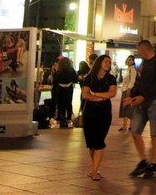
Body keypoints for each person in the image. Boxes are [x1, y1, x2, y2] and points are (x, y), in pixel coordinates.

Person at [123, 39, 156, 179]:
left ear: (144, 49)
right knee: (135, 132)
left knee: (155, 133)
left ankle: (154, 165)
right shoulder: (144, 63)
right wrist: (133, 95)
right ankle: (143, 161)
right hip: (141, 102)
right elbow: (141, 82)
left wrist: (144, 97)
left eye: (138, 50)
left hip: (155, 102)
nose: (137, 52)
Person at [80, 53, 118, 181]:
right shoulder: (89, 78)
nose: (108, 64)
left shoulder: (111, 78)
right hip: (89, 112)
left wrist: (95, 94)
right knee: (91, 143)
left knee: (99, 141)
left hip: (104, 113)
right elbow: (85, 95)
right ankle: (95, 168)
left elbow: (112, 93)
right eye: (106, 61)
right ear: (99, 63)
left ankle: (94, 172)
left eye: (109, 62)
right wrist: (101, 97)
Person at [52, 56, 78, 128]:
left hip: (60, 88)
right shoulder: (71, 70)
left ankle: (60, 120)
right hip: (69, 88)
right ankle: (69, 120)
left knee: (60, 104)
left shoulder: (59, 70)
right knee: (69, 104)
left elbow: (55, 81)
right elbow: (75, 79)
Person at [118, 55, 137, 131]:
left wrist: (129, 89)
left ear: (133, 61)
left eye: (130, 60)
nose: (128, 61)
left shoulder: (132, 70)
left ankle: (130, 125)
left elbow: (132, 81)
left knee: (129, 108)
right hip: (125, 90)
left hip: (128, 91)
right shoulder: (127, 69)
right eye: (127, 59)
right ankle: (125, 125)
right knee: (125, 108)